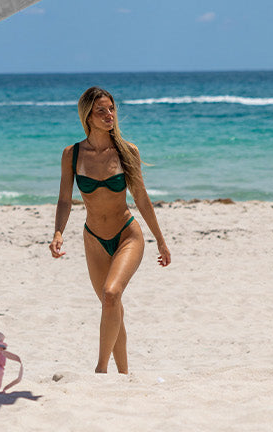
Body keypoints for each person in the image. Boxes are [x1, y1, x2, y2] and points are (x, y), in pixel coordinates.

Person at [50, 86, 171, 374]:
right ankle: (124, 375)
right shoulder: (72, 154)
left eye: (111, 109)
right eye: (101, 110)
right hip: (93, 239)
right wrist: (58, 232)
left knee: (112, 293)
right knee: (111, 304)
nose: (109, 115)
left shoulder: (127, 151)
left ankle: (100, 370)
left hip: (127, 235)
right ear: (87, 116)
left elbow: (141, 198)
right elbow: (65, 199)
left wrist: (160, 240)